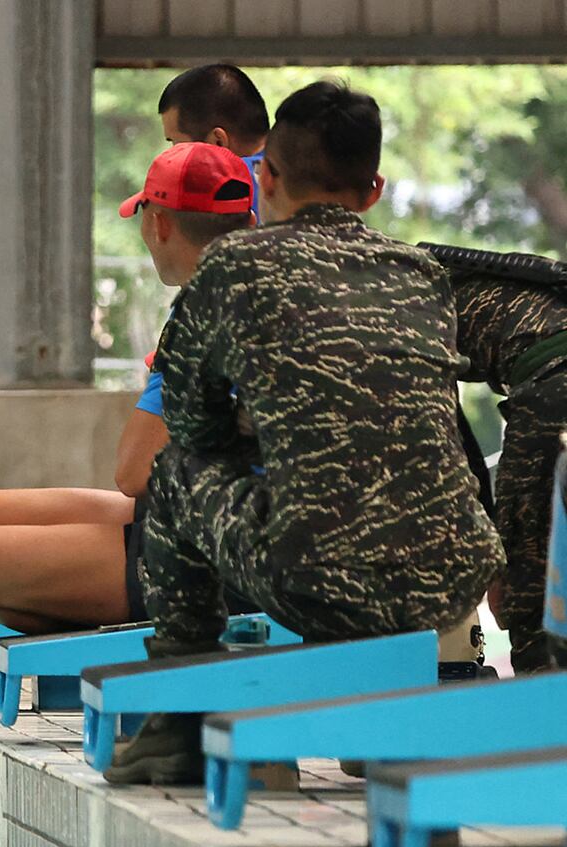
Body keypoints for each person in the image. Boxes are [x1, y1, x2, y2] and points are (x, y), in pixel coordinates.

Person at [108, 81, 503, 785]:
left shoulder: (234, 267)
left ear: (266, 176)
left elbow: (195, 431)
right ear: (373, 190)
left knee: (175, 475)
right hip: (450, 579)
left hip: (312, 574)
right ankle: (377, 712)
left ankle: (179, 721)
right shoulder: (423, 274)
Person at [0, 64, 271, 632]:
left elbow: (133, 473)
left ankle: (144, 627)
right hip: (256, 514)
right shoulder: (276, 278)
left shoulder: (203, 311)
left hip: (223, 544)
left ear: (158, 225)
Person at [418, 243, 567, 674]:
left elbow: (452, 440)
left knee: (530, 586)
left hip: (554, 380)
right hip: (551, 369)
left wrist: (497, 554)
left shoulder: (402, 303)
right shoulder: (430, 276)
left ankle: (543, 696)